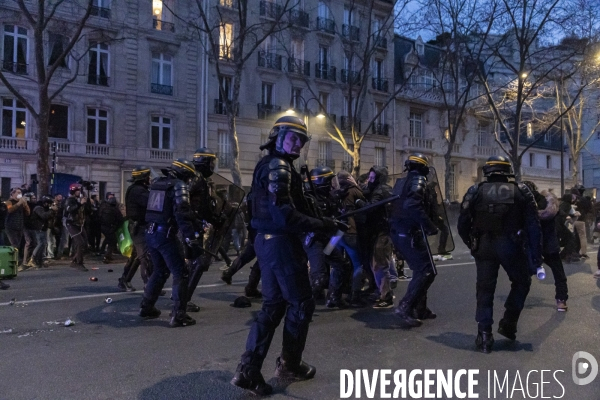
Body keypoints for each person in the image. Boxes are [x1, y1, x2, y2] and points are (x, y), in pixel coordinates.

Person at [231, 115, 341, 395]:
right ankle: (289, 364)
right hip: (281, 245)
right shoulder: (278, 167)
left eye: (302, 140)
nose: (299, 145)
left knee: (273, 306)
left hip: (267, 244)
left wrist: (325, 222)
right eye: (293, 138)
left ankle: (249, 370)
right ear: (277, 137)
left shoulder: (270, 165)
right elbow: (285, 216)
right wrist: (322, 225)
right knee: (301, 304)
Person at [457, 156, 542, 353]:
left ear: (488, 171)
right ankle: (509, 323)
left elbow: (462, 223)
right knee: (521, 282)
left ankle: (484, 335)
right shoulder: (521, 191)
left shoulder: (476, 191)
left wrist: (471, 243)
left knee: (485, 290)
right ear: (507, 171)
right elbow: (534, 226)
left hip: (484, 246)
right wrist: (536, 257)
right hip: (511, 245)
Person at [140, 159, 198, 327]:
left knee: (160, 270)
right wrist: (190, 237)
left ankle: (146, 306)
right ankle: (179, 315)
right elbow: (182, 214)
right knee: (181, 272)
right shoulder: (178, 186)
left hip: (150, 233)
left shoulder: (158, 183)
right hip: (165, 234)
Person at [389, 154, 439, 326]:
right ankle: (405, 307)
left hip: (400, 232)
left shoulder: (401, 183)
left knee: (421, 270)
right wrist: (430, 226)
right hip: (410, 232)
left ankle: (420, 309)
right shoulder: (418, 180)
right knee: (426, 271)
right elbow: (412, 206)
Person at [522, 181, 569, 311]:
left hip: (531, 246)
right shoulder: (547, 202)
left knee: (523, 275)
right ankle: (561, 300)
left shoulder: (523, 203)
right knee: (558, 273)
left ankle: (518, 298)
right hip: (549, 244)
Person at [356, 166, 394, 308]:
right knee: (377, 264)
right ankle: (381, 292)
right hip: (379, 231)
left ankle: (386, 296)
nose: (369, 181)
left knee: (380, 264)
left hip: (382, 232)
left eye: (372, 178)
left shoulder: (381, 191)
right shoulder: (382, 189)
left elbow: (371, 207)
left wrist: (359, 203)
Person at [335, 170, 368, 307]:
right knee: (358, 264)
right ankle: (355, 295)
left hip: (336, 233)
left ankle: (334, 295)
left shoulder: (334, 191)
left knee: (336, 263)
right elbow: (366, 206)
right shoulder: (354, 190)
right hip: (350, 231)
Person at [118, 166, 153, 292]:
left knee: (137, 256)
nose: (150, 179)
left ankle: (124, 280)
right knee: (145, 256)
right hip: (139, 227)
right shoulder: (138, 191)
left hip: (139, 226)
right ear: (144, 178)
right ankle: (149, 285)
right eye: (149, 177)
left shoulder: (137, 189)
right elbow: (151, 203)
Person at [64, 183, 89, 271]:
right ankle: (79, 262)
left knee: (85, 243)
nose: (79, 192)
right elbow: (69, 209)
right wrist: (79, 203)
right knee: (79, 242)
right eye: (77, 191)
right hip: (71, 224)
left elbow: (87, 211)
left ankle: (74, 260)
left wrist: (85, 202)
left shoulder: (78, 200)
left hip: (79, 224)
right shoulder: (70, 200)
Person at [4, 188, 30, 267]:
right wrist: (19, 203)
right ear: (13, 194)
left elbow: (28, 213)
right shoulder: (8, 202)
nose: (20, 194)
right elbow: (10, 210)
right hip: (10, 227)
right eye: (18, 192)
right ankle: (16, 261)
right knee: (14, 244)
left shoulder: (21, 203)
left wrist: (25, 204)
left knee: (18, 244)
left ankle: (18, 261)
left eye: (20, 192)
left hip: (19, 226)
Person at [29, 195, 57, 269]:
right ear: (46, 202)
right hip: (38, 228)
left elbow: (50, 217)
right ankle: (33, 259)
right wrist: (52, 210)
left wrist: (53, 211)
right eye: (49, 203)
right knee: (40, 243)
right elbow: (44, 216)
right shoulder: (38, 208)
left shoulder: (45, 208)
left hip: (43, 228)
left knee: (44, 244)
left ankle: (40, 260)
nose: (50, 205)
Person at [99, 193, 124, 264]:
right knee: (112, 242)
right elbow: (120, 219)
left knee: (108, 239)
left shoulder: (104, 208)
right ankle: (107, 256)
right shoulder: (115, 210)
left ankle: (103, 251)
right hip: (111, 227)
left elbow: (99, 216)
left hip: (103, 227)